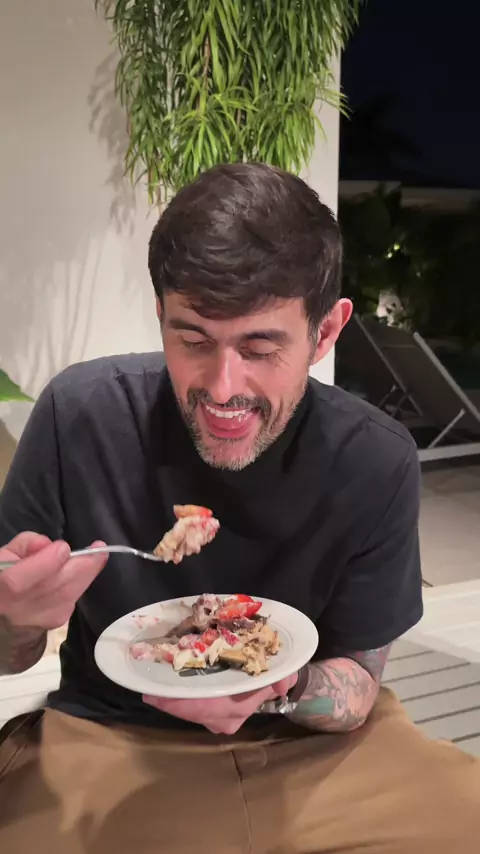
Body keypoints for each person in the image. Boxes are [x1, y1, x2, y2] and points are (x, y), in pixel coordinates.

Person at [0, 163, 478, 853]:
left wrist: (280, 688)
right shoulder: (80, 417)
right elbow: (10, 657)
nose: (223, 389)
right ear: (160, 314)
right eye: (193, 340)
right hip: (111, 738)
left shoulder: (375, 458)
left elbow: (357, 686)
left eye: (260, 348)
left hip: (315, 753)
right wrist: (15, 618)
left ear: (326, 332)